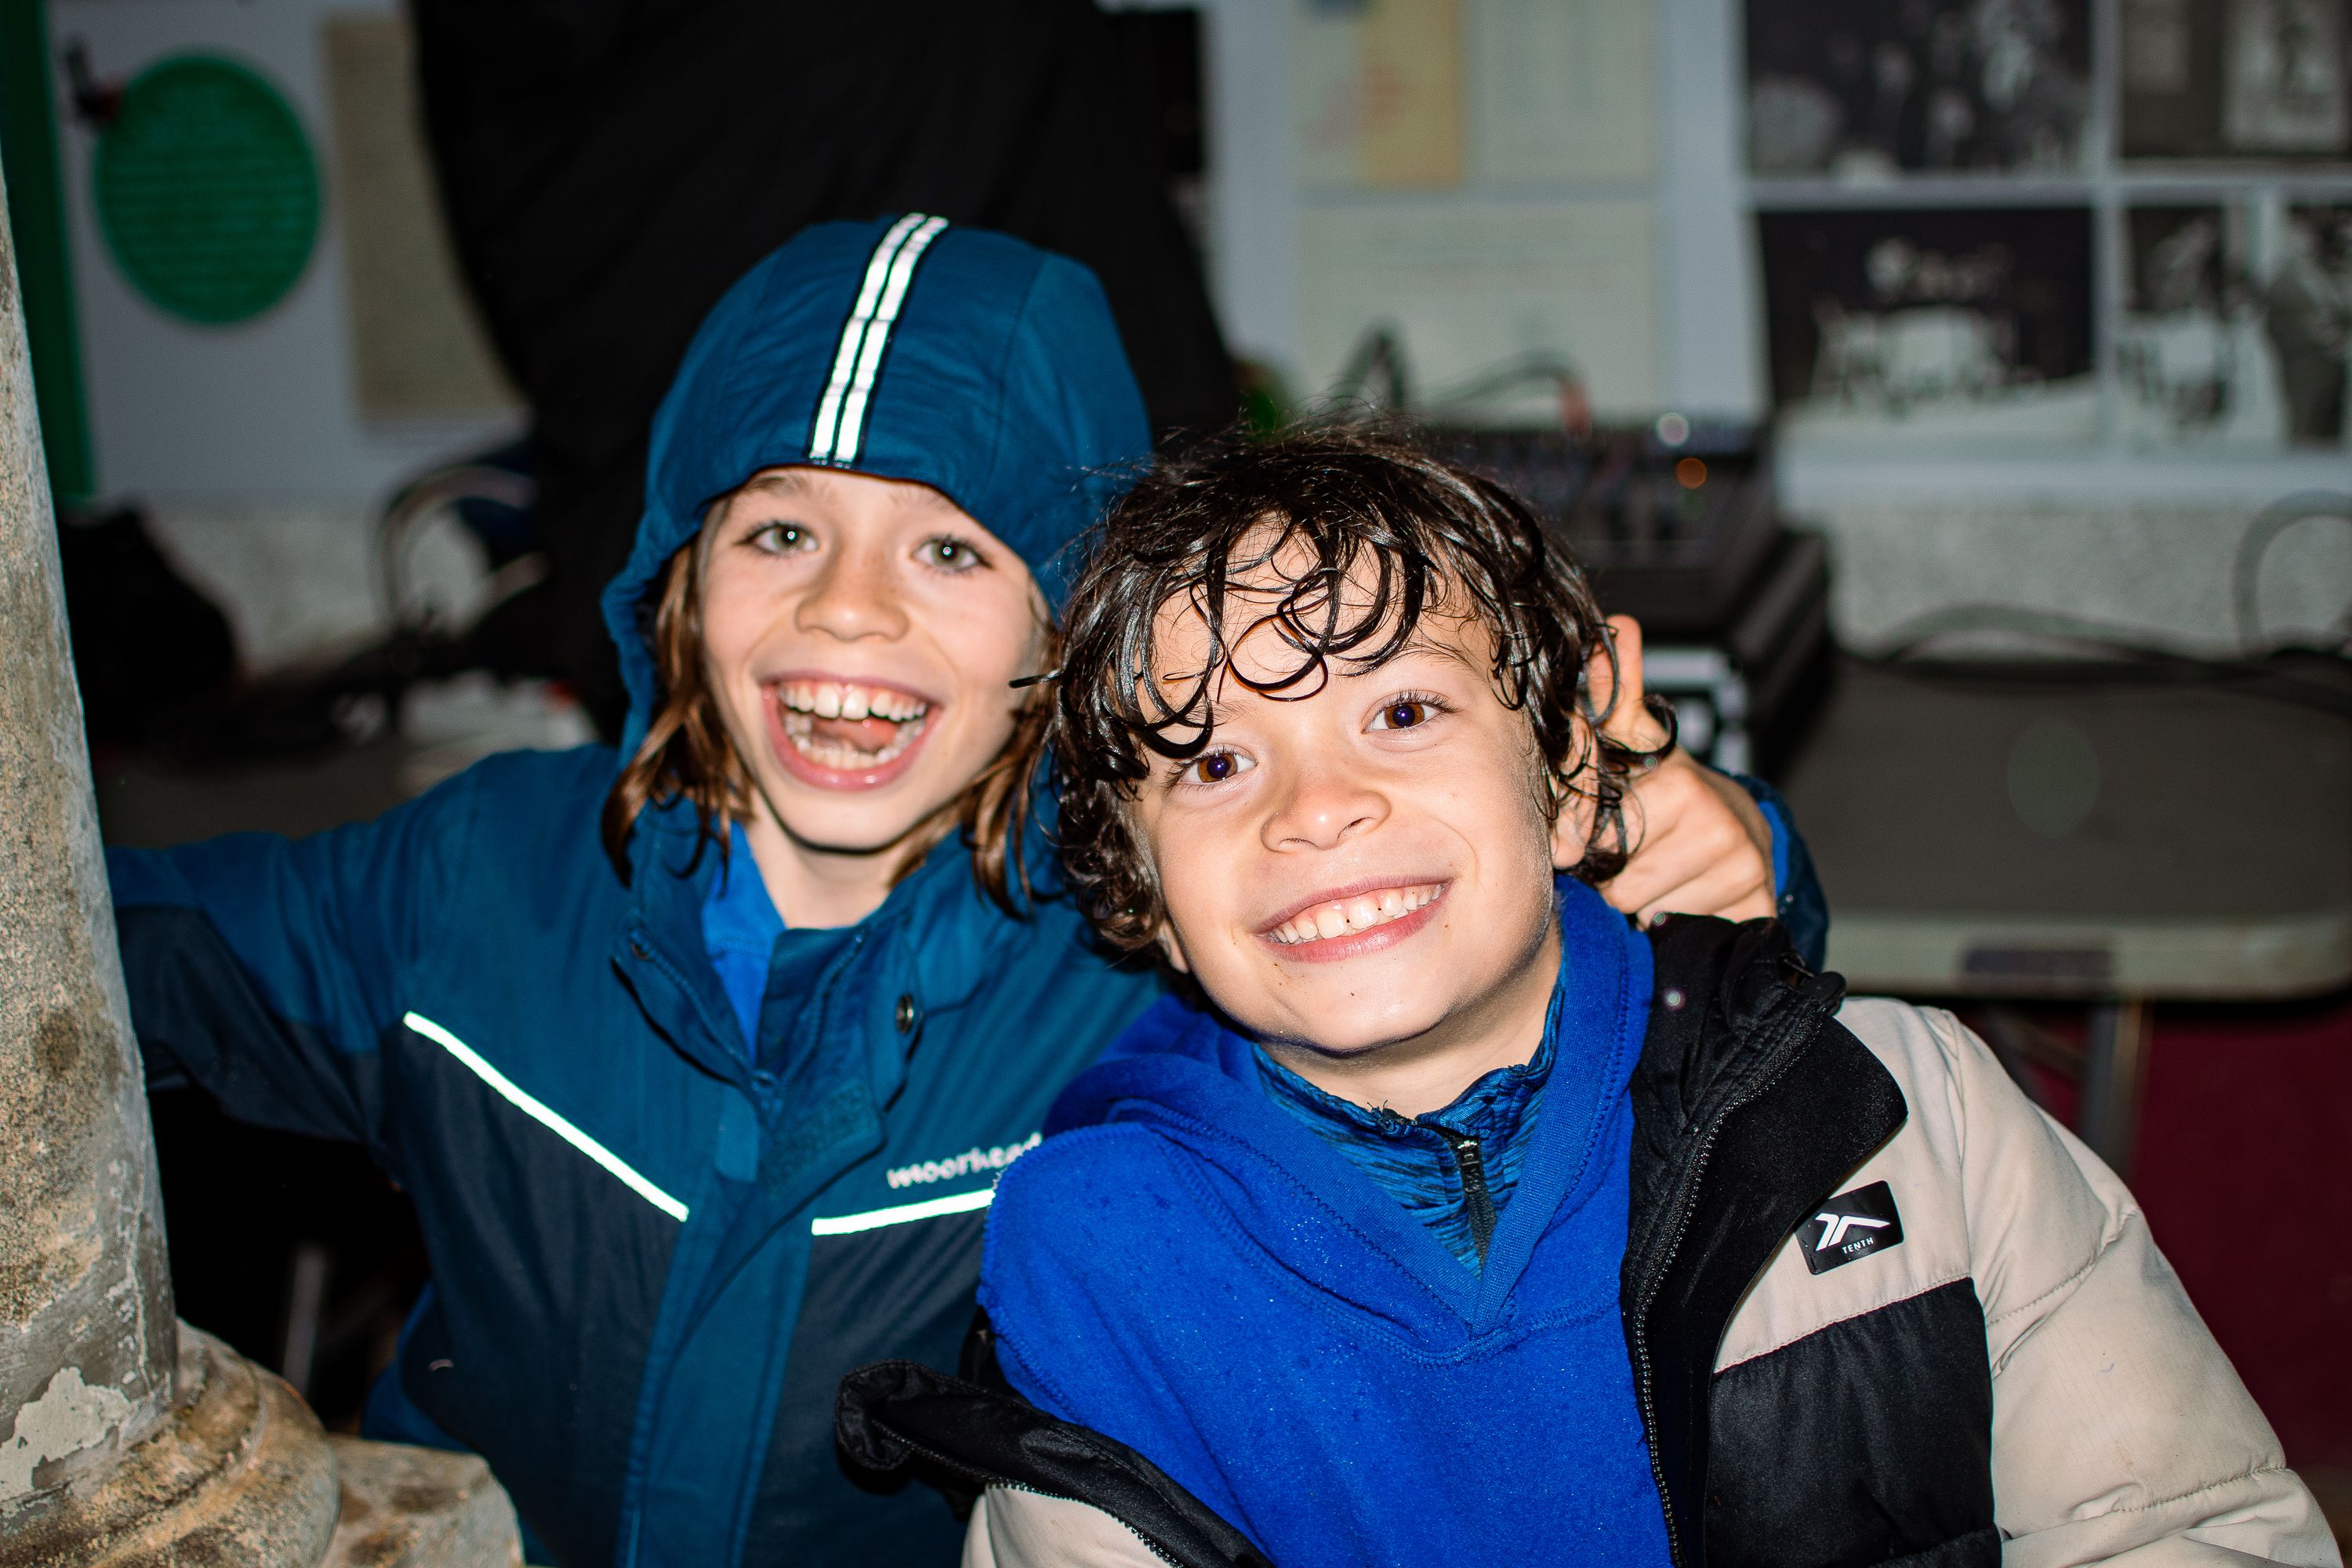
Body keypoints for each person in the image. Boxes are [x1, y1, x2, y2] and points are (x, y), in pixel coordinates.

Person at [104, 222, 1810, 1567]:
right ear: (677, 582)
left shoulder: (1144, 957)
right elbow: (94, 961)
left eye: (948, 548)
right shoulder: (472, 879)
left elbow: (1523, 1030)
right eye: (779, 533)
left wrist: (1726, 858)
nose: (849, 614)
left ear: (1069, 638)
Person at [836, 428, 2339, 1568]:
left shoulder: (1897, 1121)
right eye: (1215, 760)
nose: (1319, 805)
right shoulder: (1092, 1264)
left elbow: (2188, 1524)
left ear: (1570, 779)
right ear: (1144, 889)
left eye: (1404, 711)